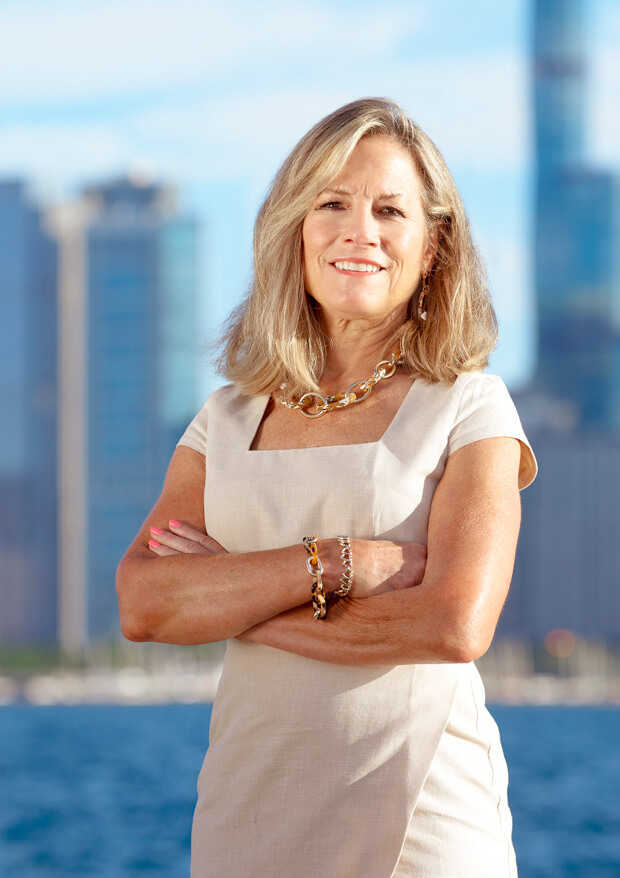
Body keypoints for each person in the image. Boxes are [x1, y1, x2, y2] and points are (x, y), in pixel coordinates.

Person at [116, 97, 537, 877]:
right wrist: (336, 563)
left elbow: (452, 625)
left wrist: (237, 603)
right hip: (251, 807)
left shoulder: (471, 405)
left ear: (433, 244)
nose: (360, 232)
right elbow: (146, 604)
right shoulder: (227, 415)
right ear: (295, 228)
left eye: (390, 211)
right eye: (333, 203)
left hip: (425, 821)